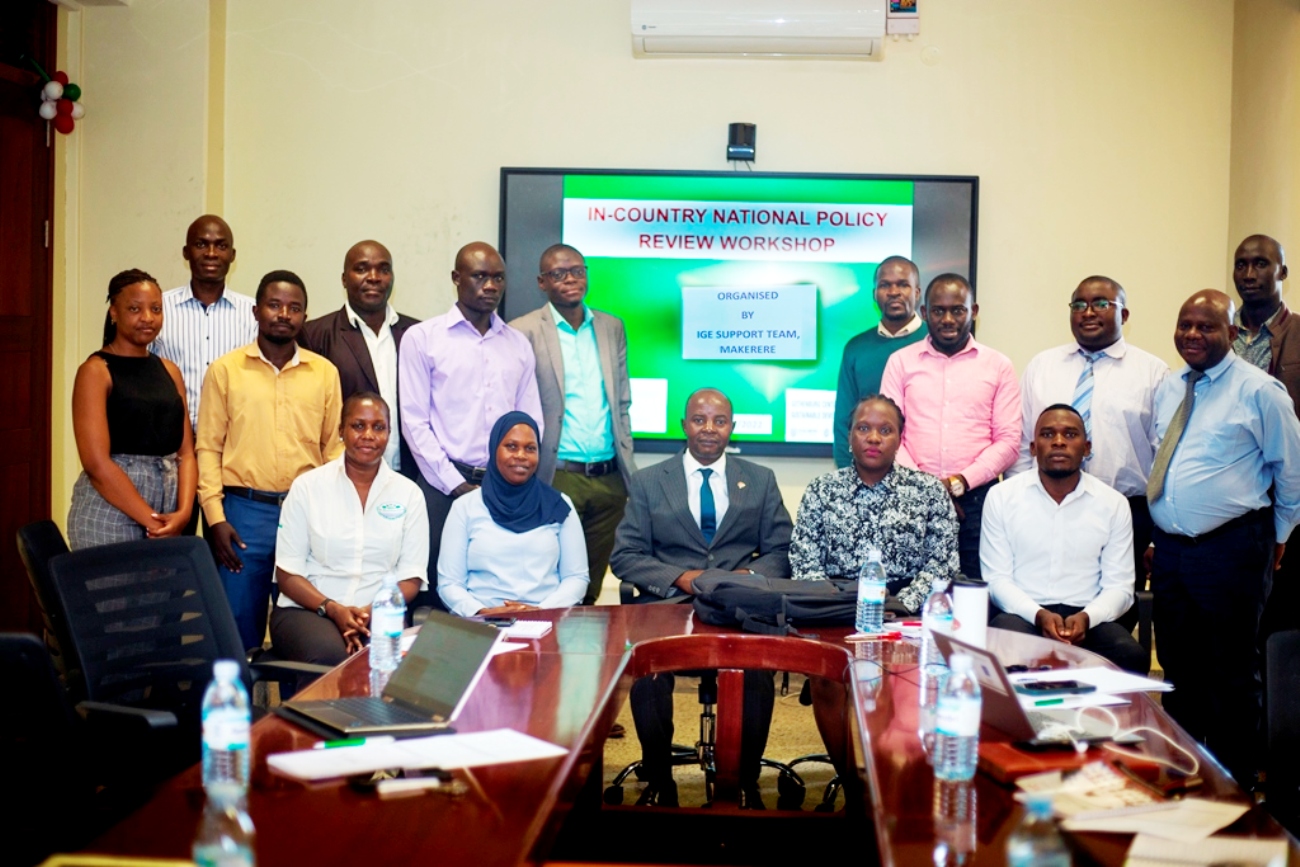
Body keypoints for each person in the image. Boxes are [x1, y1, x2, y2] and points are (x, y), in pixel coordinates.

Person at [610, 388, 792, 808]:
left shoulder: (759, 478)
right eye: (699, 419)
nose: (709, 429)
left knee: (757, 670)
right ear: (684, 425)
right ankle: (659, 780)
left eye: (719, 420)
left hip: (738, 608)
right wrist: (684, 578)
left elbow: (782, 551)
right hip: (672, 604)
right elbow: (626, 555)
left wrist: (741, 580)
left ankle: (744, 780)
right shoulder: (649, 481)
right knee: (648, 667)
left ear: (732, 426)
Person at [1148, 289, 1300, 787]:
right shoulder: (1169, 388)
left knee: (1233, 673)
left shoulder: (1260, 392)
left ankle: (1234, 783)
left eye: (1206, 327)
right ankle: (1184, 771)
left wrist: (1277, 538)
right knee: (1177, 669)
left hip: (1234, 548)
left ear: (1231, 333)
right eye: (1185, 324)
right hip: (1172, 553)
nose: (1192, 335)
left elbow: (1291, 472)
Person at [197, 270, 344, 651]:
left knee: (308, 627)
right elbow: (208, 448)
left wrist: (332, 512)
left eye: (294, 308)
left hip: (306, 513)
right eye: (274, 305)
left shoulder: (325, 374)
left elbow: (334, 449)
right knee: (237, 630)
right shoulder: (225, 371)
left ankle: (298, 709)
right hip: (244, 515)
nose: (284, 314)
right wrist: (216, 518)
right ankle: (240, 710)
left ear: (304, 317)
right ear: (256, 311)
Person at [399, 242, 543, 605]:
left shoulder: (518, 344)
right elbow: (414, 423)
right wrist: (456, 485)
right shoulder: (423, 339)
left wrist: (513, 478)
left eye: (498, 278)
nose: (490, 286)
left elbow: (530, 422)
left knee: (495, 590)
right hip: (441, 488)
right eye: (480, 276)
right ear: (456, 278)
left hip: (505, 488)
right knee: (432, 593)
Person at [1010, 276, 1168, 606]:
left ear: (1124, 315)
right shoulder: (1042, 365)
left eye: (1101, 304)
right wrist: (1019, 505)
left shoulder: (1154, 372)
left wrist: (1158, 534)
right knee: (1040, 604)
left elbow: (1163, 456)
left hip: (1127, 511)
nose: (1088, 312)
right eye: (1079, 305)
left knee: (1116, 614)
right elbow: (1025, 441)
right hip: (1046, 506)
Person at [510, 244, 636, 605]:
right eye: (559, 273)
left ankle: (584, 653)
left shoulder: (612, 327)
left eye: (577, 271)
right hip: (556, 474)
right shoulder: (523, 331)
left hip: (610, 478)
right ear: (541, 282)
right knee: (549, 577)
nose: (570, 279)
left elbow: (622, 401)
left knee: (590, 585)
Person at [983, 405, 1147, 675]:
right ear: (1034, 448)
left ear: (1086, 447)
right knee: (1002, 652)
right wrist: (1038, 615)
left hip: (1088, 617)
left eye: (1070, 435)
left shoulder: (1113, 503)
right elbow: (997, 579)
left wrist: (1086, 617)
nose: (1059, 441)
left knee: (1130, 658)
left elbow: (1120, 587)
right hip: (1023, 615)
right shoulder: (1002, 497)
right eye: (1048, 435)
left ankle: (1098, 718)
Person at [879, 273, 1020, 580]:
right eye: (938, 310)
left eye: (958, 310)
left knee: (973, 591)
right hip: (910, 496)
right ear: (925, 313)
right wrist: (928, 488)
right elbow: (890, 432)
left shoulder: (998, 366)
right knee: (909, 590)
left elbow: (1009, 440)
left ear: (974, 311)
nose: (948, 319)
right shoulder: (900, 362)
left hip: (977, 500)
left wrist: (959, 482)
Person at [271, 393, 428, 668]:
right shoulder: (307, 488)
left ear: (389, 433)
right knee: (332, 656)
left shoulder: (409, 494)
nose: (368, 435)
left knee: (399, 662)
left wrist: (370, 612)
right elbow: (287, 575)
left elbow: (411, 578)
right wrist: (333, 608)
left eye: (378, 427)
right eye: (358, 426)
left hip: (380, 614)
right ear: (341, 431)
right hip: (310, 610)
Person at [791, 394, 958, 614]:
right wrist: (836, 605)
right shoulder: (821, 489)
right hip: (833, 610)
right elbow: (804, 562)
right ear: (850, 436)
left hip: (908, 612)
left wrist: (901, 605)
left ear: (900, 439)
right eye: (863, 429)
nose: (874, 438)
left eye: (886, 431)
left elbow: (943, 564)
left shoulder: (929, 490)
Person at [68, 269, 195, 549]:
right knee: (112, 592)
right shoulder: (95, 371)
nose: (147, 318)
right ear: (114, 312)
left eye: (156, 309)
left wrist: (184, 513)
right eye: (135, 309)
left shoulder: (169, 371)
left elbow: (185, 452)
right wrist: (151, 520)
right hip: (111, 512)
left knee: (162, 594)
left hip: (168, 511)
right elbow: (97, 464)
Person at [150, 215, 255, 533]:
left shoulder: (252, 315)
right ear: (186, 252)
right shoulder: (158, 310)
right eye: (201, 244)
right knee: (169, 554)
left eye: (221, 246)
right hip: (169, 454)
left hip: (228, 455)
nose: (211, 253)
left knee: (222, 550)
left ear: (232, 255)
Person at [437, 411, 588, 616]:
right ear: (494, 449)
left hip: (546, 621)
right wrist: (483, 612)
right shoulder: (465, 507)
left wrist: (539, 611)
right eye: (511, 446)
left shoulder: (559, 506)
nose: (521, 456)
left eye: (530, 448)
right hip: (480, 624)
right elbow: (449, 583)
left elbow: (576, 578)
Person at [299, 240, 421, 477]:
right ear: (344, 279)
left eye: (384, 269)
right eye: (362, 268)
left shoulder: (417, 334)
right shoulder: (314, 335)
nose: (374, 277)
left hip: (408, 474)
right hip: (342, 474)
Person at [1230, 235, 1300, 637]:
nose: (1249, 274)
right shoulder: (1217, 335)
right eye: (1241, 265)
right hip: (1232, 499)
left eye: (1260, 264)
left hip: (1287, 497)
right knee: (1232, 620)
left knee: (1278, 621)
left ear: (1282, 272)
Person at [833, 256, 929, 468]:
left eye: (903, 284)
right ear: (874, 295)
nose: (894, 292)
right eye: (885, 285)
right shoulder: (856, 348)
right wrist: (847, 476)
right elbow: (844, 423)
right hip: (868, 475)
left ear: (917, 293)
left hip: (926, 475)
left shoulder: (935, 342)